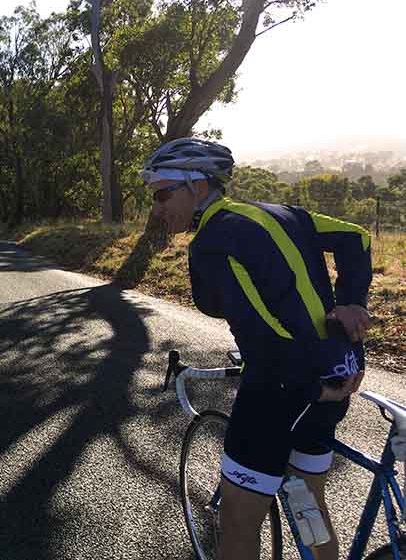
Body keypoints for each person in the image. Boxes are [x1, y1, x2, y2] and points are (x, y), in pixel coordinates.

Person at [140, 137, 373, 560]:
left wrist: (304, 386)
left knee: (236, 523)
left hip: (284, 391)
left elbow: (259, 334)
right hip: (338, 370)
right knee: (309, 504)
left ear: (199, 186)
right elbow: (356, 237)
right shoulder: (280, 213)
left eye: (162, 193)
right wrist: (353, 299)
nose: (157, 207)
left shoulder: (212, 241)